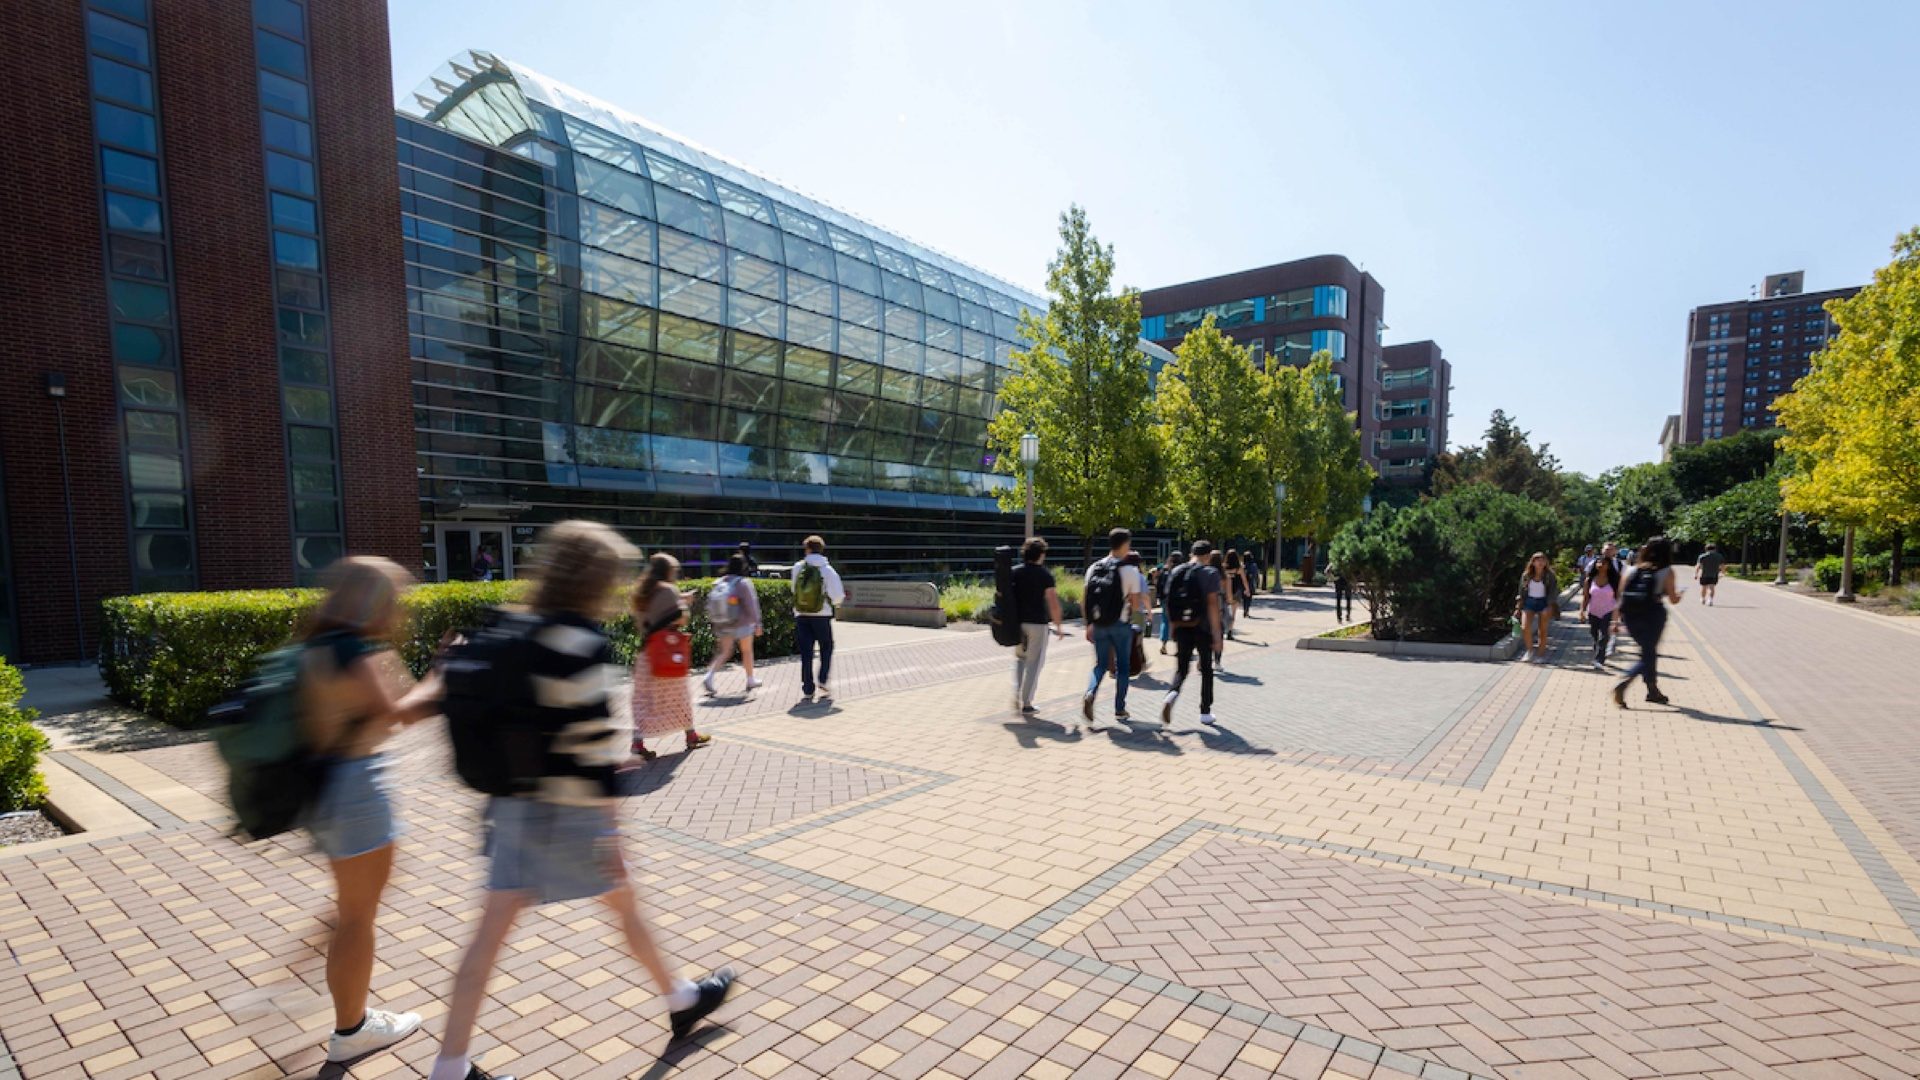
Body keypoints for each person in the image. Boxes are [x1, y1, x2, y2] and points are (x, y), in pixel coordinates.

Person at [430, 522, 734, 1080]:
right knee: (607, 903)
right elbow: (592, 751)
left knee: (501, 931)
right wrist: (611, 830)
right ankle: (449, 1068)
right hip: (564, 811)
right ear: (596, 580)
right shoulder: (577, 641)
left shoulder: (515, 623)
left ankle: (681, 997)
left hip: (512, 803)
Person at [300, 558, 448, 1063]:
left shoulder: (317, 645)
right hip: (357, 791)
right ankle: (352, 1030)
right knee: (357, 919)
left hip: (323, 787)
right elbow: (401, 713)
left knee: (352, 912)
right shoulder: (355, 651)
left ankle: (351, 1020)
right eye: (395, 596)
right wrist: (441, 673)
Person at [629, 553, 710, 760]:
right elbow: (682, 618)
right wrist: (686, 602)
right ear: (667, 571)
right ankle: (691, 735)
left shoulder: (641, 593)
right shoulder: (669, 590)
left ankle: (637, 744)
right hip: (668, 652)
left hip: (649, 655)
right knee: (680, 697)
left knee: (644, 701)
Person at [1082, 528, 1146, 726]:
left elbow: (1085, 600)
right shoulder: (1130, 571)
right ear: (1125, 545)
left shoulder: (1094, 568)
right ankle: (1119, 708)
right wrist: (1137, 624)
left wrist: (1089, 624)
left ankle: (1090, 692)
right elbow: (1136, 605)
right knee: (1123, 668)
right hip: (1121, 625)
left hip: (1099, 624)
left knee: (1101, 665)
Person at [1613, 535, 1684, 709]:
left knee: (1648, 652)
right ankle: (1626, 681)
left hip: (1630, 616)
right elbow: (1673, 599)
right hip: (1653, 615)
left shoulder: (1630, 570)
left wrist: (1614, 621)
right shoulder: (1667, 571)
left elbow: (1619, 597)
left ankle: (1653, 691)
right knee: (1648, 654)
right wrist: (1680, 594)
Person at [1162, 540, 1223, 726]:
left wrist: (1173, 626)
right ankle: (1205, 712)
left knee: (1181, 668)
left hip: (1181, 626)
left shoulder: (1177, 571)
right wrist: (1217, 633)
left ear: (1192, 553)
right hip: (1202, 628)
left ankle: (1171, 695)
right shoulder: (1210, 573)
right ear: (1207, 556)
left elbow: (1168, 601)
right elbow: (1213, 604)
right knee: (1206, 669)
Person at [1010, 537, 1064, 716]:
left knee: (1020, 658)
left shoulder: (1015, 572)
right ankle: (1027, 702)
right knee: (1034, 662)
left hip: (1017, 623)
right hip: (1037, 624)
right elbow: (1053, 602)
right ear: (1041, 554)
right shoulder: (1045, 575)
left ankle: (1016, 693)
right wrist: (1058, 624)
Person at [792, 535, 846, 699]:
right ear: (821, 550)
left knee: (806, 652)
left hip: (801, 614)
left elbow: (794, 590)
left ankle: (808, 688)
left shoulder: (798, 567)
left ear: (807, 549)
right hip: (821, 615)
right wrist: (835, 604)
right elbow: (837, 595)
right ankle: (822, 679)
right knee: (826, 647)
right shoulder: (827, 570)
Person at [702, 554, 763, 697]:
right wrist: (757, 623)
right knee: (747, 651)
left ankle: (709, 676)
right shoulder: (743, 583)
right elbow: (751, 605)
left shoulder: (720, 581)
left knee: (724, 651)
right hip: (742, 624)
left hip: (723, 623)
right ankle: (750, 679)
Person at [1512, 552, 1558, 664]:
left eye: (1543, 560)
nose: (1540, 562)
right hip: (1529, 602)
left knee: (1542, 629)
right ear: (1532, 562)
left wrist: (1550, 606)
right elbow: (1521, 593)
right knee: (1525, 627)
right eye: (1537, 560)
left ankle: (1541, 654)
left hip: (1544, 602)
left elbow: (1553, 592)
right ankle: (1530, 651)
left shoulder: (1549, 575)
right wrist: (1518, 607)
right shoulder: (1526, 575)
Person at [1579, 551, 1620, 669]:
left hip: (1608, 610)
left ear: (1609, 565)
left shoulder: (1613, 580)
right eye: (1599, 562)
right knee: (1594, 634)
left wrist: (1617, 617)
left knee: (1604, 635)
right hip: (1593, 611)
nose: (1601, 564)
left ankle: (1599, 659)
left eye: (1604, 563)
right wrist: (1582, 610)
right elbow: (1586, 597)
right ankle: (1598, 649)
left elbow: (1618, 598)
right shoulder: (1590, 580)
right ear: (1595, 565)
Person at [1124, 551, 1152, 678]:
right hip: (1137, 612)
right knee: (1138, 639)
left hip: (1122, 612)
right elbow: (1145, 597)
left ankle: (1139, 662)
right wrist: (1150, 612)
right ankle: (1138, 663)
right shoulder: (1139, 577)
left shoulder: (1121, 574)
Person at [1155, 553, 1184, 655]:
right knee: (1177, 623)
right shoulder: (1181, 571)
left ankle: (1163, 645)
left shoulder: (1164, 571)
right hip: (1178, 600)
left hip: (1165, 600)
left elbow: (1158, 585)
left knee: (1165, 622)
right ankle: (1178, 647)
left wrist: (1158, 597)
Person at [1239, 551, 1257, 617]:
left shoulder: (1242, 565)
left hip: (1242, 584)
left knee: (1244, 598)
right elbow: (1255, 575)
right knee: (1249, 598)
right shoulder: (1253, 565)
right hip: (1250, 583)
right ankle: (1247, 610)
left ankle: (1244, 609)